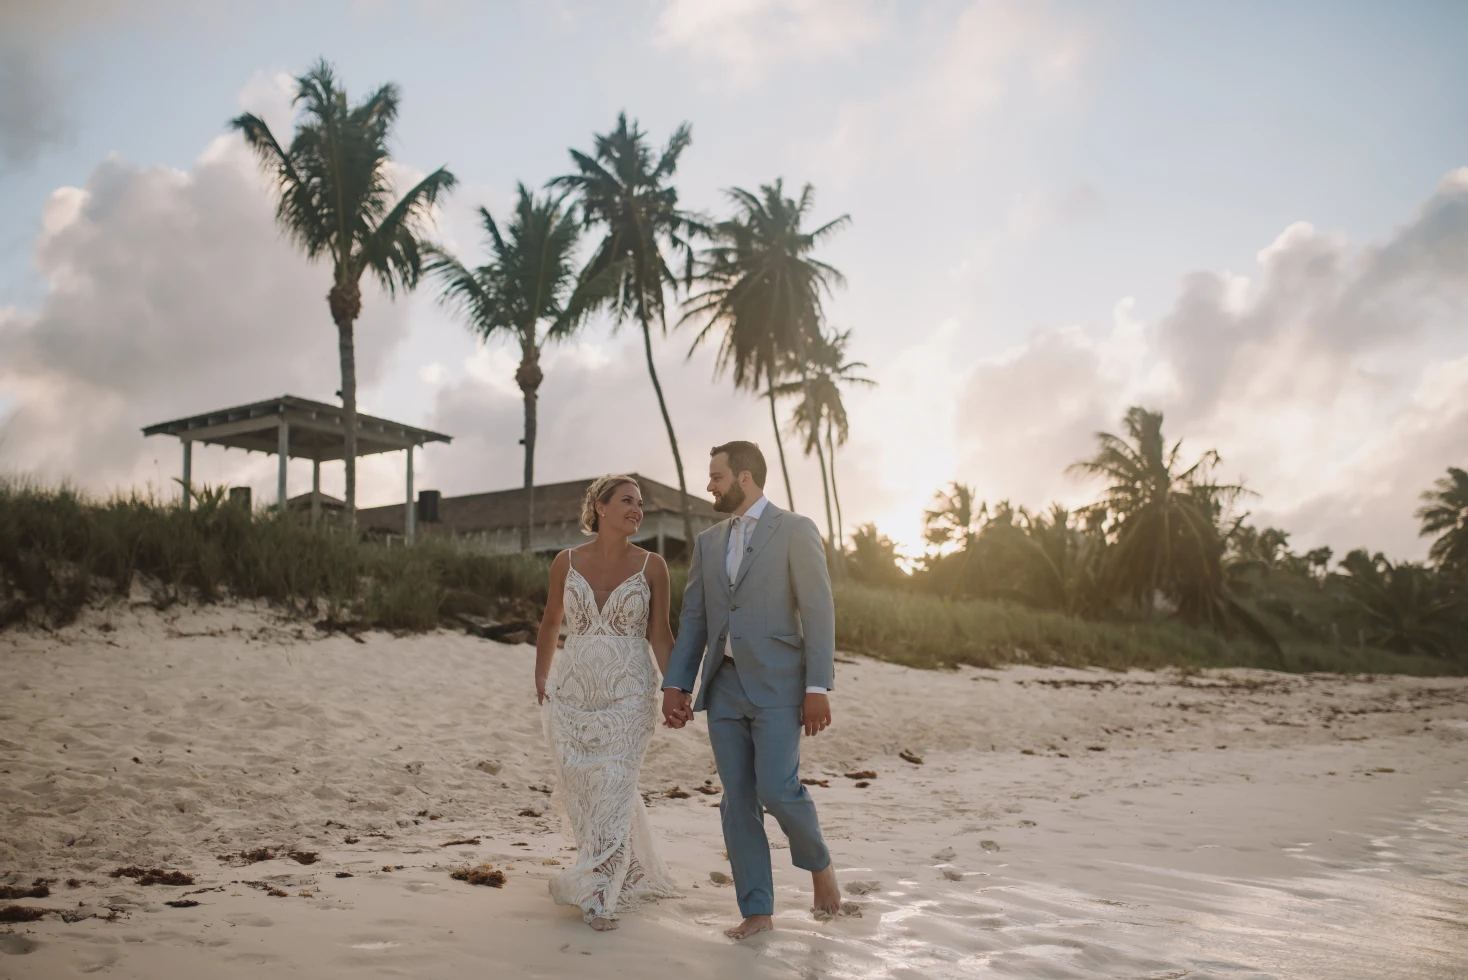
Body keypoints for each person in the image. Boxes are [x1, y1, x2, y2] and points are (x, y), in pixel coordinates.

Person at [661, 441, 842, 940]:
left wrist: (817, 685)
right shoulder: (708, 541)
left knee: (777, 788)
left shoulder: (796, 529)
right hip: (724, 686)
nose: (709, 485)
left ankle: (820, 866)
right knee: (736, 799)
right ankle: (757, 910)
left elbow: (818, 610)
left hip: (782, 684)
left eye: (716, 476)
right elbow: (694, 619)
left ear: (744, 478)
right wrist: (676, 683)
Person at [534, 475, 680, 931]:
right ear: (600, 507)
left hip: (630, 691)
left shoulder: (653, 566)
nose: (637, 509)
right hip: (574, 690)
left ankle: (600, 893)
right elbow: (550, 621)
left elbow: (660, 634)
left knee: (615, 784)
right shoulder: (565, 561)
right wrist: (541, 674)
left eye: (640, 503)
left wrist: (674, 687)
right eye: (627, 501)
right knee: (584, 787)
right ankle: (628, 868)